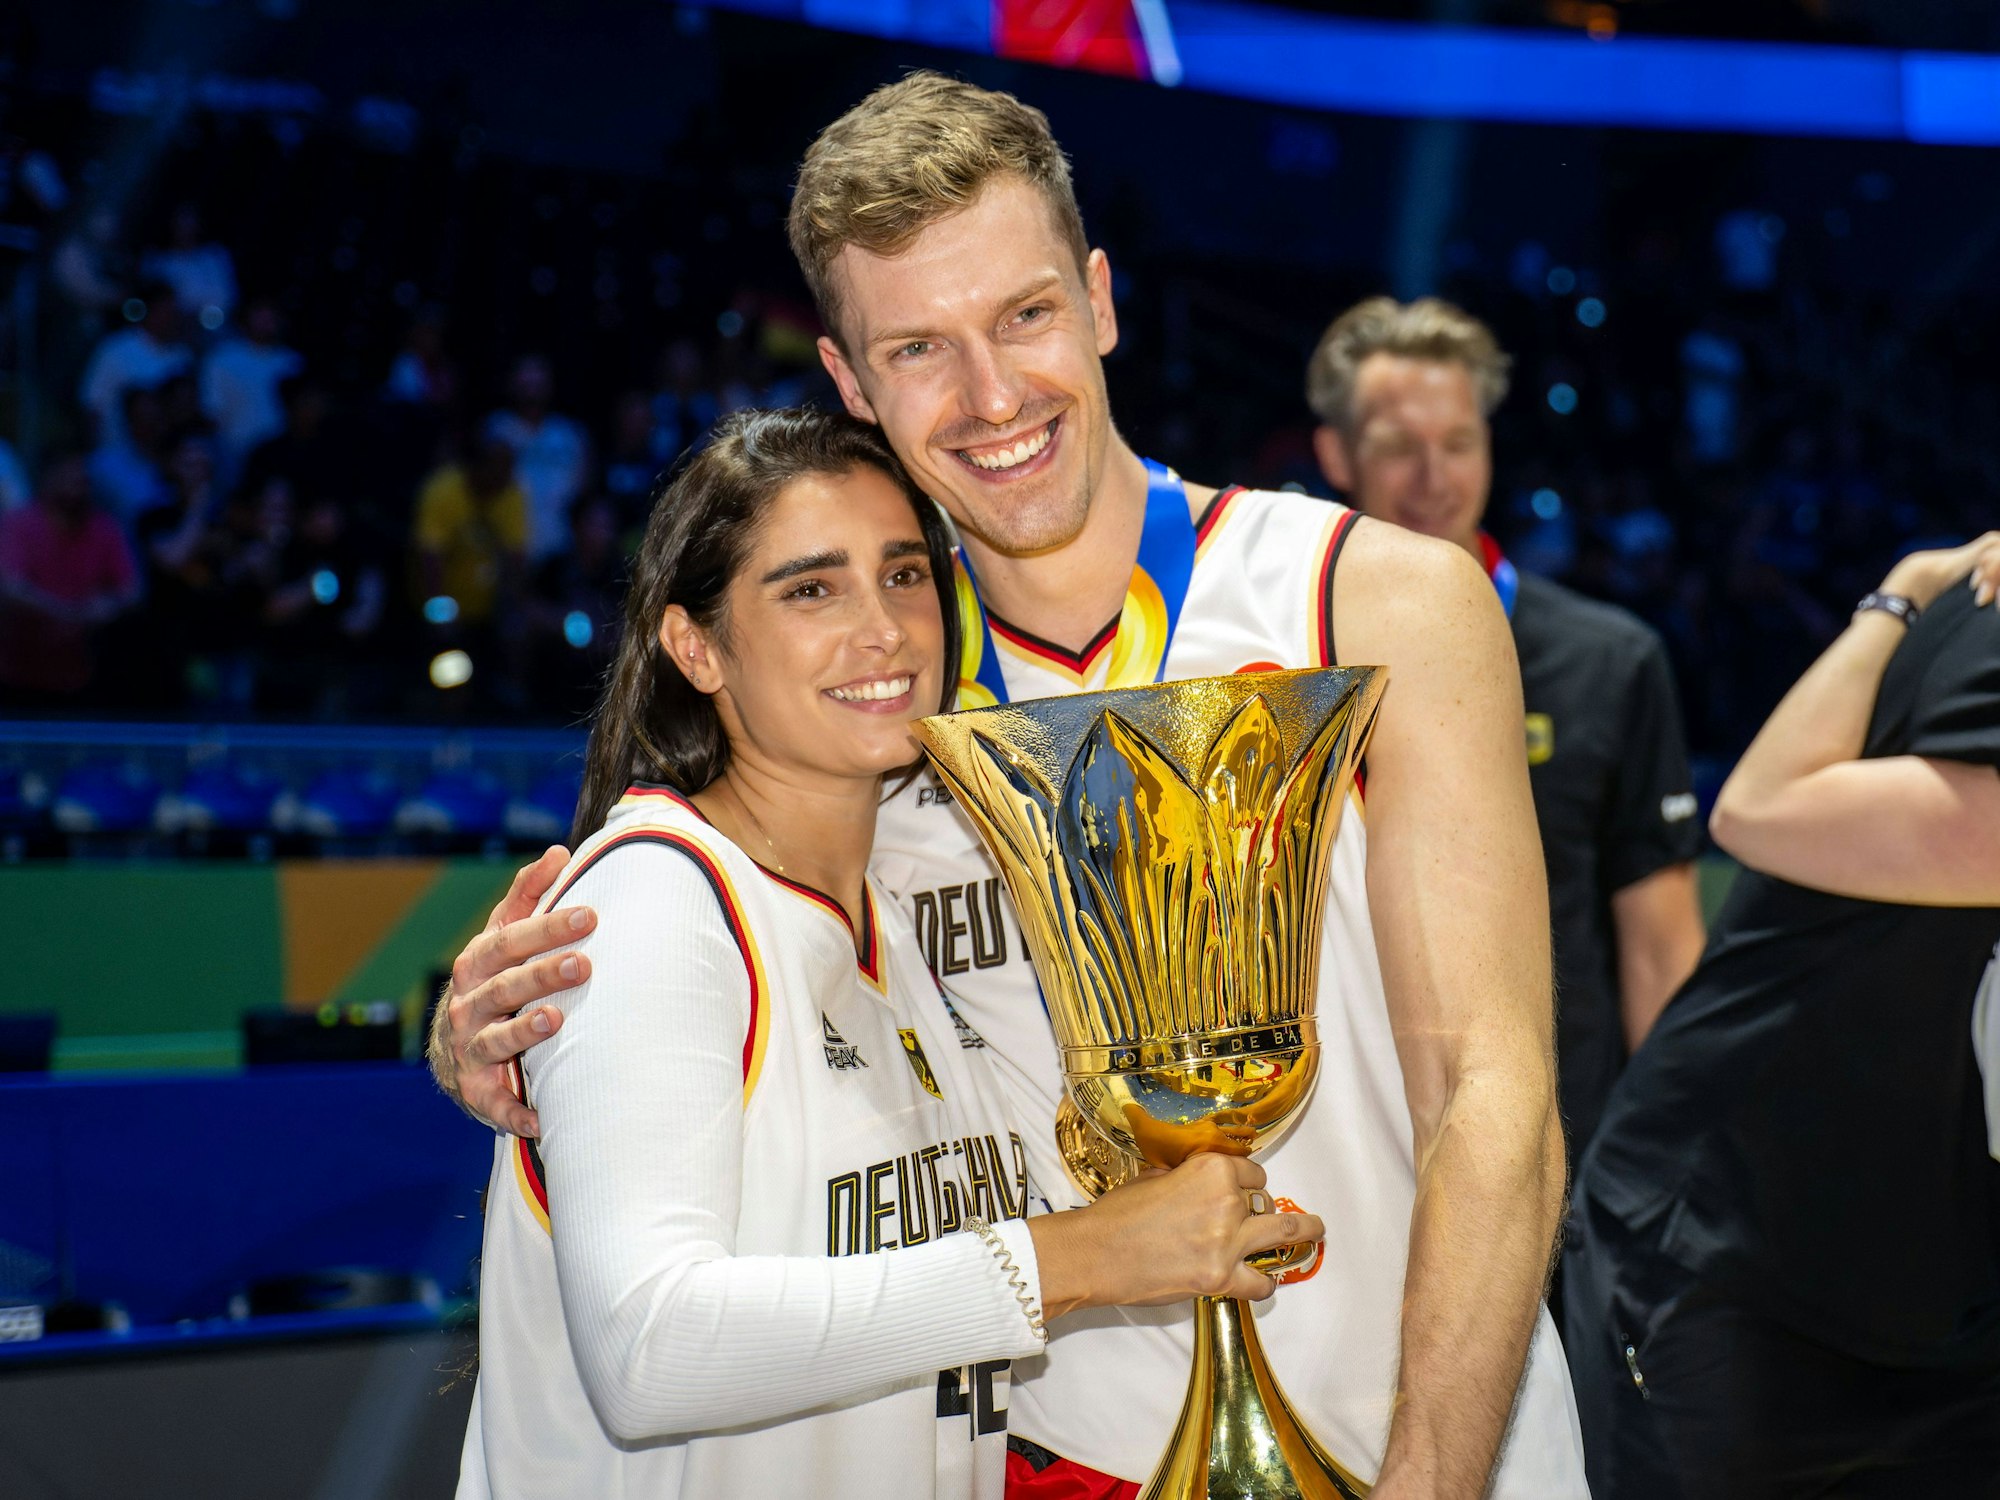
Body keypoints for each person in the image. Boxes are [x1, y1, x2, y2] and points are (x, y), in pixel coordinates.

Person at [435, 74, 1586, 1498]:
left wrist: (1431, 1478)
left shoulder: (1373, 603)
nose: (991, 397)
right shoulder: (871, 702)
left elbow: (1493, 1093)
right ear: (852, 386)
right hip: (1065, 1457)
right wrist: (522, 1031)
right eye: (918, 348)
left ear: (1100, 302)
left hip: (1429, 1443)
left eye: (1025, 315)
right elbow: (719, 964)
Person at [458, 405, 1323, 1499]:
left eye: (905, 575)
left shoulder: (889, 916)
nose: (884, 630)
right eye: (810, 588)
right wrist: (1085, 1258)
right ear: (696, 646)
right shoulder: (653, 906)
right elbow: (650, 1349)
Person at [1566, 534, 2000, 1498]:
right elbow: (1757, 809)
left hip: (1930, 1285)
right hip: (1734, 1253)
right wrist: (1895, 598)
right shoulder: (1989, 634)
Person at [1306, 296, 1708, 1165]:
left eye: (1457, 444)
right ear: (1336, 454)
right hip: (1339, 1158)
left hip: (1557, 1166)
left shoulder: (1610, 662)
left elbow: (1660, 944)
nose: (1433, 478)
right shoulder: (1280, 663)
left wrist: (1669, 1175)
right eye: (1398, 447)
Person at [0, 449, 138, 700]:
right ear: (47, 479)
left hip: (86, 675)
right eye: (68, 476)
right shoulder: (18, 525)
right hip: (17, 673)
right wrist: (65, 611)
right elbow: (10, 586)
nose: (77, 485)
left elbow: (132, 590)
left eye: (82, 479)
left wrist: (109, 604)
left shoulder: (105, 528)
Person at [485, 355, 590, 564]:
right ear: (513, 383)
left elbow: (584, 492)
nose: (532, 386)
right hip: (506, 552)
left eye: (539, 379)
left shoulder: (570, 434)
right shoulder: (496, 430)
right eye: (526, 379)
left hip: (560, 553)